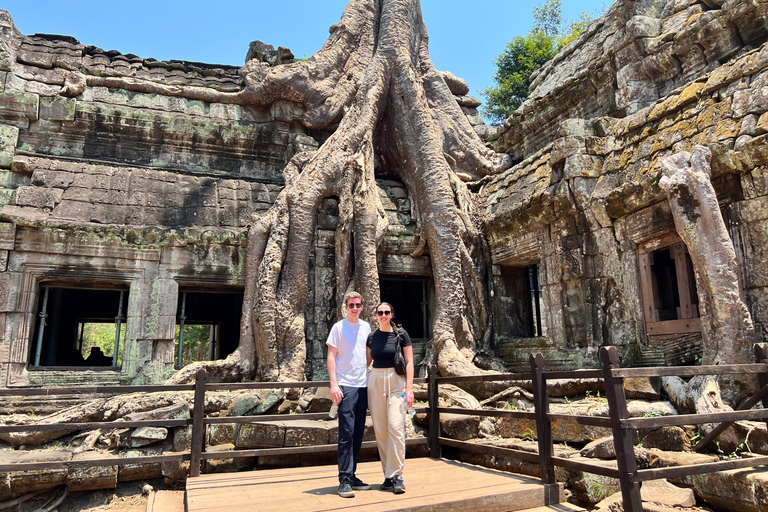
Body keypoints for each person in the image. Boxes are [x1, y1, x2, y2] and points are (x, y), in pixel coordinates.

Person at [326, 291, 372, 498]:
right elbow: (331, 356)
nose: (354, 309)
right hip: (345, 385)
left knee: (358, 431)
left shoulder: (366, 327)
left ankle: (352, 475)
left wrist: (366, 368)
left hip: (363, 385)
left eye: (358, 305)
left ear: (362, 307)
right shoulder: (338, 328)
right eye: (351, 305)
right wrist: (334, 385)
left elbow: (367, 354)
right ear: (345, 307)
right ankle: (344, 479)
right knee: (346, 432)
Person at [366, 302, 414, 494]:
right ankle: (388, 475)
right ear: (376, 315)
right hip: (376, 379)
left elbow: (410, 362)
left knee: (396, 426)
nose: (383, 315)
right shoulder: (371, 337)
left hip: (397, 382)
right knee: (381, 430)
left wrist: (409, 389)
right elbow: (366, 361)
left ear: (392, 314)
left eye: (387, 312)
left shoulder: (401, 334)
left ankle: (398, 474)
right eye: (380, 312)